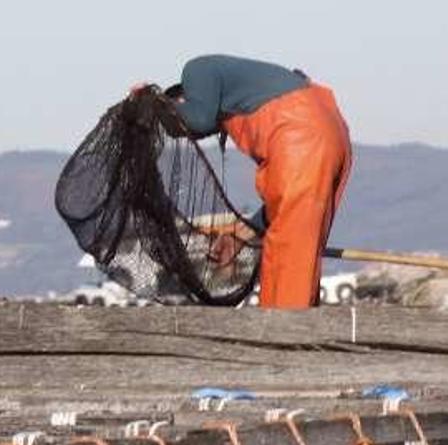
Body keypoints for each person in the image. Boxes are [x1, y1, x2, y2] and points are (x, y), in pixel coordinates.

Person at [135, 54, 352, 309]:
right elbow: (280, 207)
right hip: (329, 131)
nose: (189, 133)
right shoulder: (247, 100)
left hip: (301, 135)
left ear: (182, 98)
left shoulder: (197, 70)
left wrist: (153, 103)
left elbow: (198, 118)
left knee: (289, 259)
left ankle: (283, 340)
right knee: (295, 246)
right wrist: (240, 236)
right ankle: (286, 333)